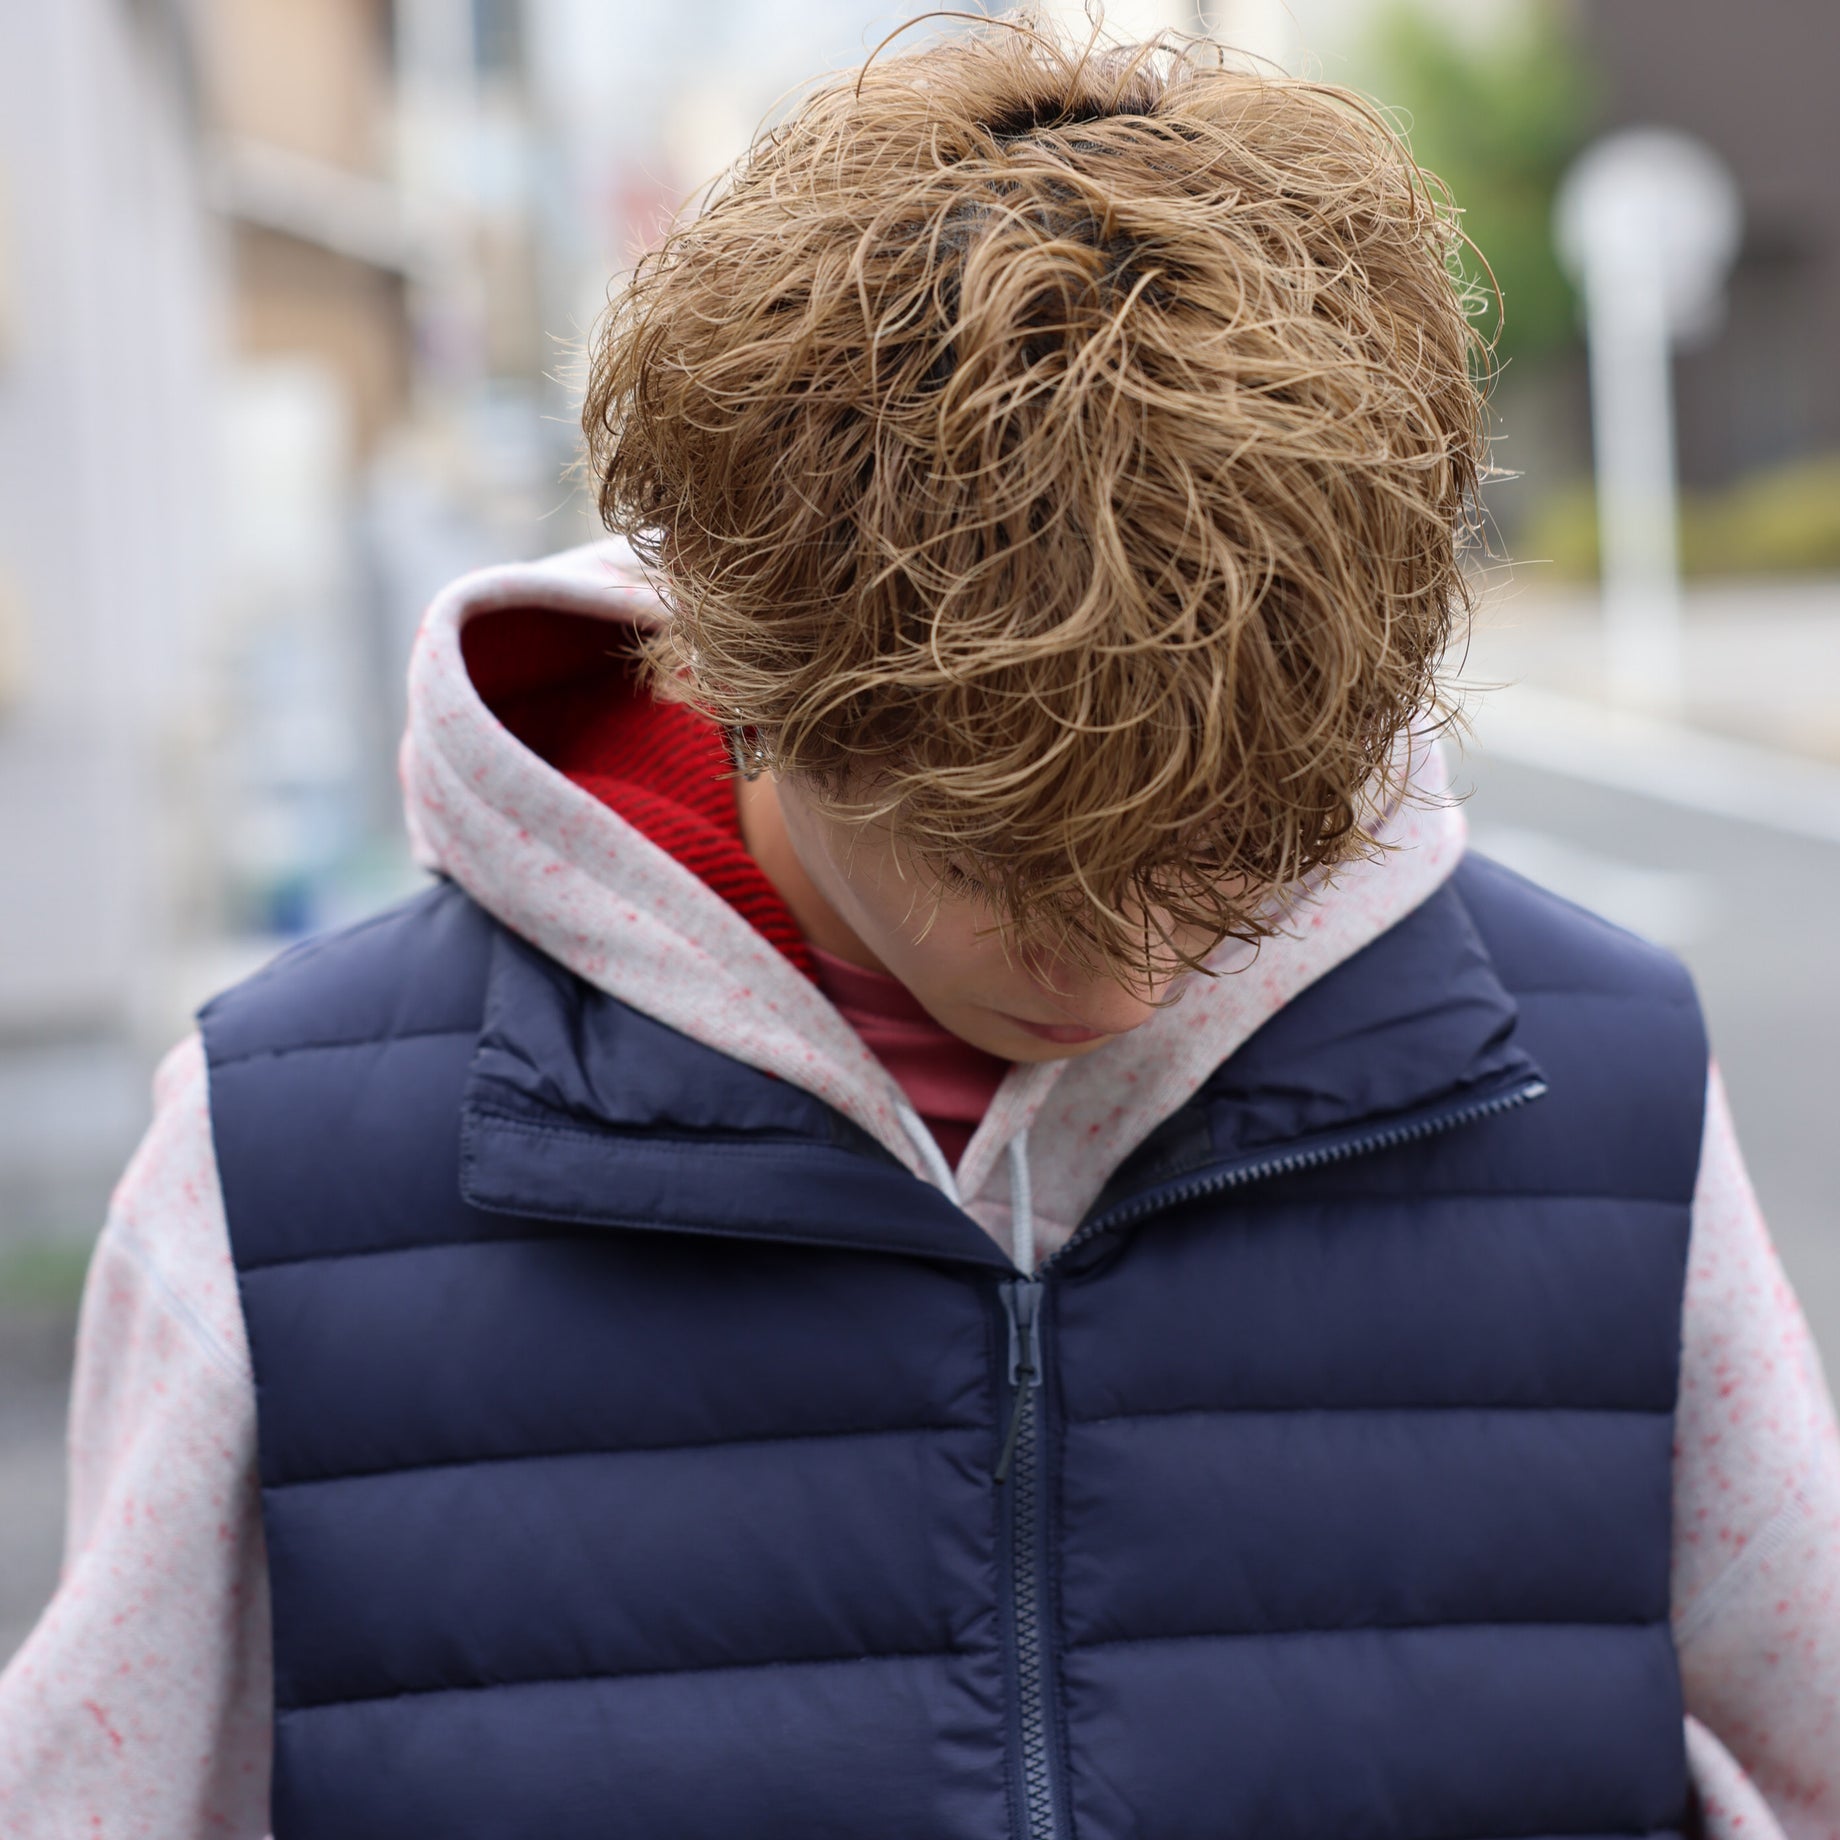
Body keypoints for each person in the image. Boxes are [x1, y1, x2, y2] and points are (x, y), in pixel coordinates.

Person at [3, 17, 1837, 1839]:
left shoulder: (1599, 1088)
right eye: (1011, 858)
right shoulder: (278, 1164)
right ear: (734, 660)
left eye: (1218, 850)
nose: (1124, 962)